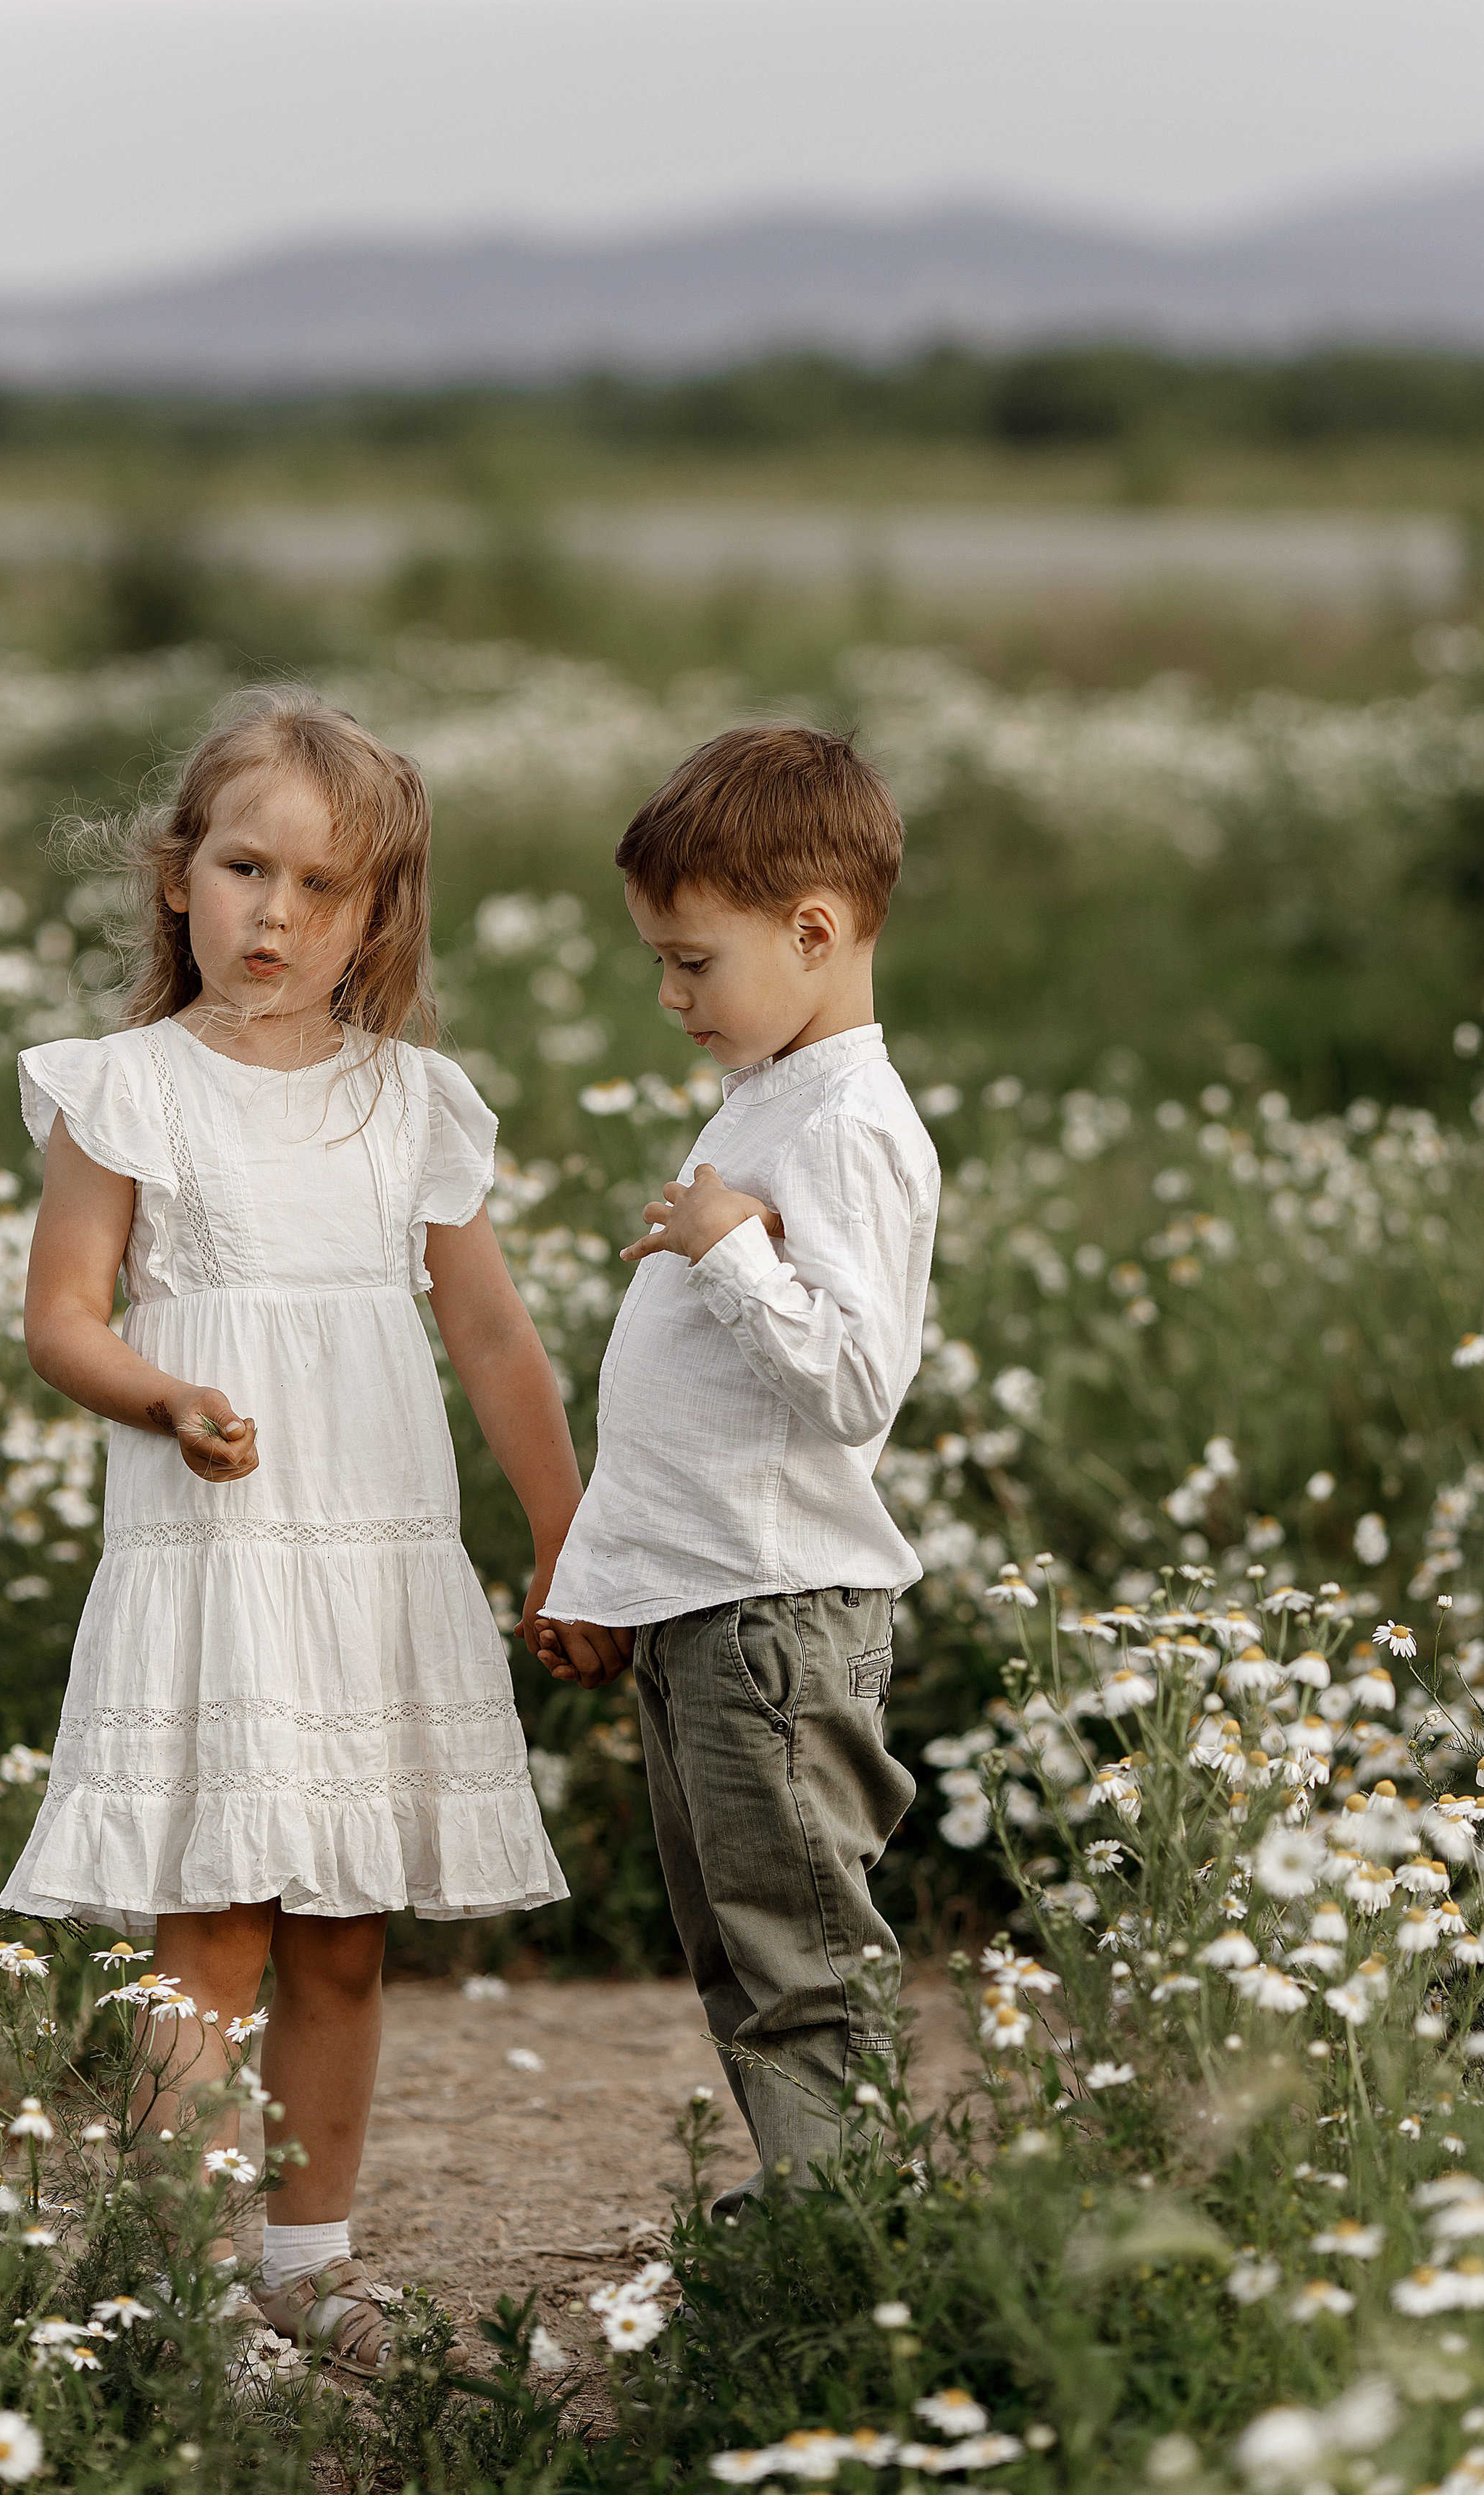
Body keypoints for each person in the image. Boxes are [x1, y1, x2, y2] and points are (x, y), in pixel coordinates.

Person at [1, 685, 578, 2369]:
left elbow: (490, 1336)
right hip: (223, 1566)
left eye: (325, 889)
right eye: (247, 869)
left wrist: (568, 1538)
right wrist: (164, 1394)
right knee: (215, 1934)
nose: (279, 914)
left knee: (343, 1936)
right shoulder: (128, 1090)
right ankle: (183, 2282)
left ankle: (306, 2266)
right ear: (179, 878)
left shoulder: (413, 1102)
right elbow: (64, 1317)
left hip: (372, 1559)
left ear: (375, 916)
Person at [525, 723, 939, 2215]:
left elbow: (846, 1379)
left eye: (691, 962)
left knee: (795, 1949)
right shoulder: (772, 1093)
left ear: (813, 932)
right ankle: (812, 2195)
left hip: (775, 1616)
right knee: (734, 1941)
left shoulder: (849, 1125)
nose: (669, 995)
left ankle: (849, 2236)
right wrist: (603, 1576)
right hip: (713, 1602)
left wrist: (732, 1254)